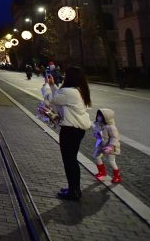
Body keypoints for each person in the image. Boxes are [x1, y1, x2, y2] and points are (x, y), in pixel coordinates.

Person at [41, 66, 92, 201]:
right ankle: (74, 188)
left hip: (70, 131)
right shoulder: (78, 91)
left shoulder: (69, 92)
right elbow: (60, 97)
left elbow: (51, 100)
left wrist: (46, 86)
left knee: (69, 161)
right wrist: (53, 86)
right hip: (76, 131)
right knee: (72, 160)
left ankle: (73, 191)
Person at [93, 108, 122, 183]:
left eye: (100, 116)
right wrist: (97, 134)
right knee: (96, 156)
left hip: (110, 147)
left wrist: (110, 146)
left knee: (112, 161)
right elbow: (100, 135)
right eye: (98, 115)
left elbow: (115, 137)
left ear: (106, 117)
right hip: (101, 145)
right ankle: (102, 172)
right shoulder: (100, 125)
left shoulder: (111, 127)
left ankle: (117, 176)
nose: (98, 117)